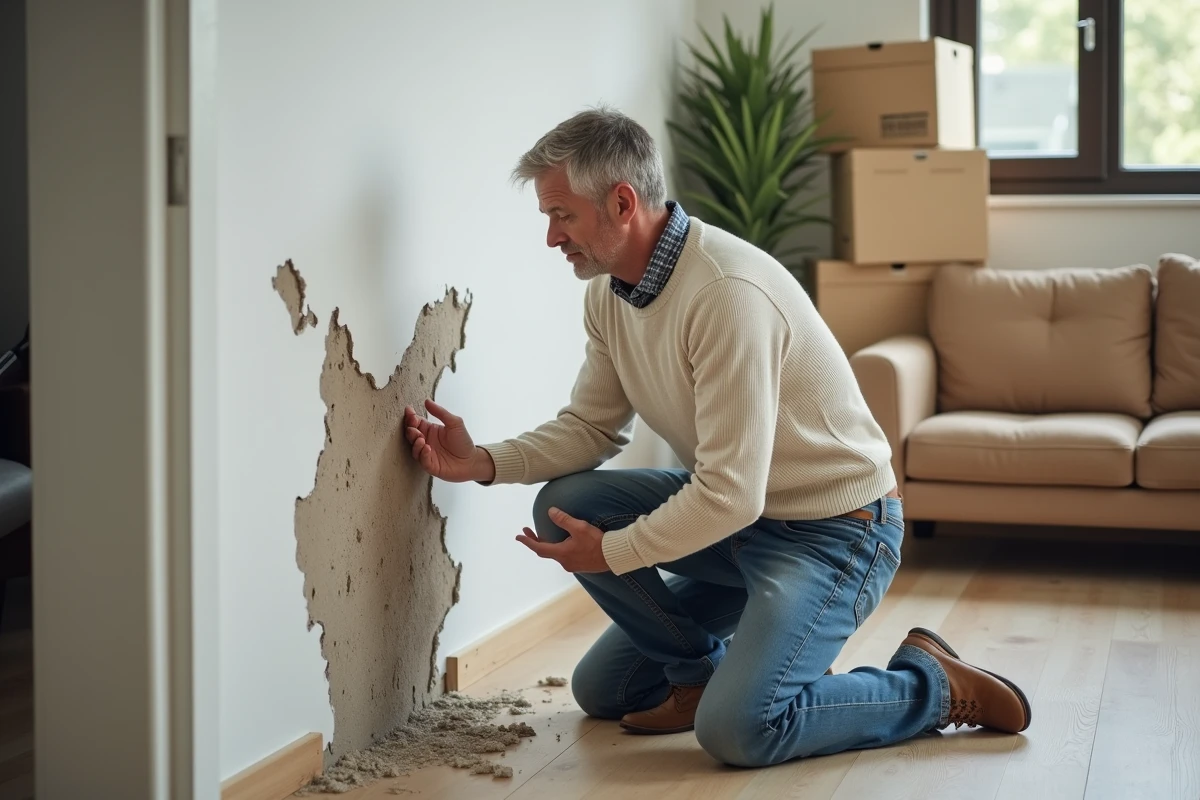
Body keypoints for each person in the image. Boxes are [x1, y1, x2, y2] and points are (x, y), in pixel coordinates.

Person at [403, 108, 1031, 768]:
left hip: (837, 533)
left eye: (562, 215)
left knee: (740, 731)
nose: (552, 238)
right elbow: (592, 427)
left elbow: (729, 493)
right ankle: (698, 670)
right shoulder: (610, 293)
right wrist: (481, 462)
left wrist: (616, 553)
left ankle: (929, 687)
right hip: (745, 521)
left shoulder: (726, 293)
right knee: (601, 679)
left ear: (621, 203)